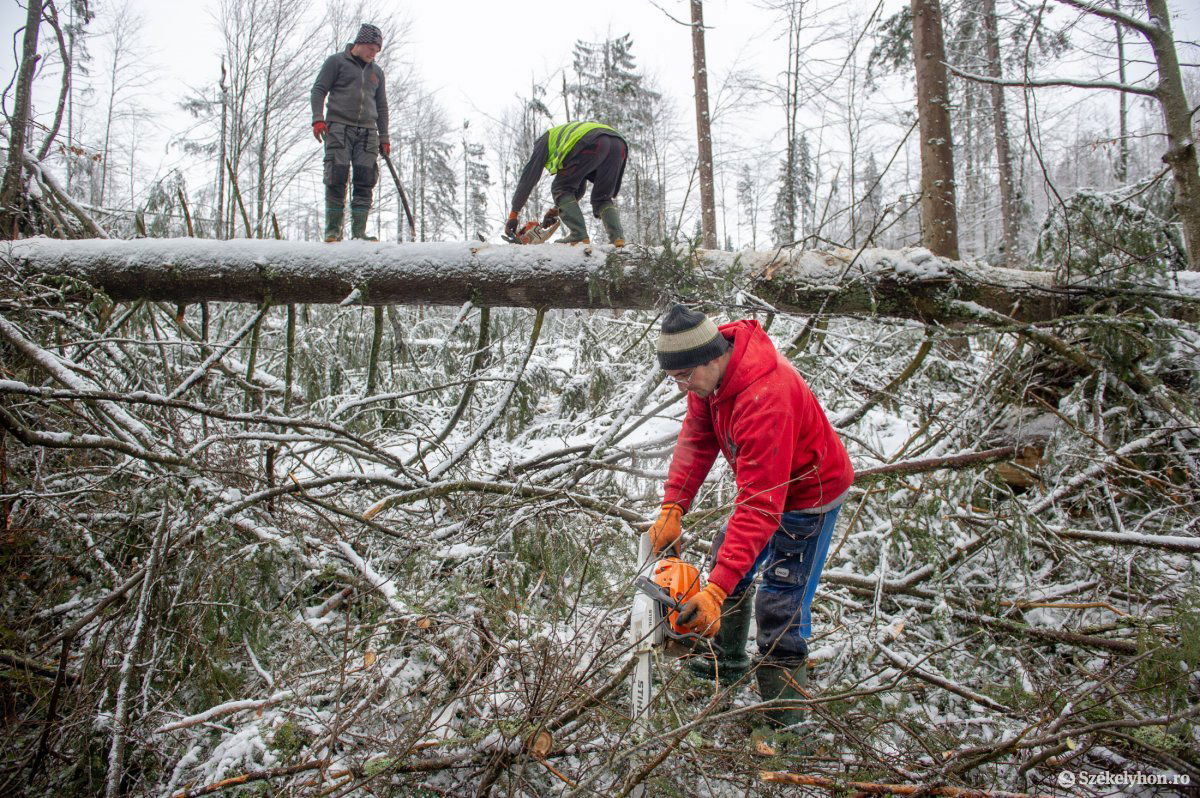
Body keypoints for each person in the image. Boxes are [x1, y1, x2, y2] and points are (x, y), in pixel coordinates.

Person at [648, 304, 854, 727]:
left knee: (781, 600)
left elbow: (761, 504)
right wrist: (674, 504)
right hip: (773, 488)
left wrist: (716, 591)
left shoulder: (766, 397)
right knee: (729, 554)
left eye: (685, 377)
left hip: (809, 496)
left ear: (712, 356)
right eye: (675, 380)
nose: (684, 387)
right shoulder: (711, 381)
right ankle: (723, 666)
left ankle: (784, 719)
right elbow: (697, 439)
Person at [311, 23, 391, 243]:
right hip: (338, 127)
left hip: (368, 132)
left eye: (376, 51)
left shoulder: (377, 73)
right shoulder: (336, 62)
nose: (373, 54)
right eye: (371, 49)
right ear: (359, 43)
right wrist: (318, 118)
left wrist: (384, 137)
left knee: (365, 180)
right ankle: (333, 232)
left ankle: (359, 233)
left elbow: (382, 106)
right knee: (336, 176)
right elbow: (319, 90)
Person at [506, 121, 628, 246]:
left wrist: (513, 214)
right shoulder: (569, 139)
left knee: (560, 188)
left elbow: (528, 178)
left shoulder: (543, 142)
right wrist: (556, 210)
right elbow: (578, 189)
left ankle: (578, 235)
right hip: (618, 145)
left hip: (592, 142)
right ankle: (617, 238)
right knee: (602, 197)